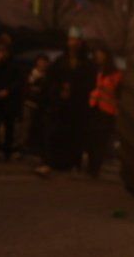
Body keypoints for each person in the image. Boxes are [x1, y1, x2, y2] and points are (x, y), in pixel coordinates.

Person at [36, 30, 95, 177]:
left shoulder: (86, 64)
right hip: (59, 104)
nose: (73, 44)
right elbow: (51, 80)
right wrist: (59, 90)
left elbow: (89, 83)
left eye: (76, 41)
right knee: (54, 132)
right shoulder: (60, 61)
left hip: (77, 106)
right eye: (70, 40)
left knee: (74, 135)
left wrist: (75, 90)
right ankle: (50, 161)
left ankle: (71, 163)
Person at [84, 44, 122, 177]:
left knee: (100, 141)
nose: (98, 56)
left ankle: (95, 169)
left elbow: (118, 94)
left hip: (107, 112)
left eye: (100, 53)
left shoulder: (116, 75)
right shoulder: (96, 71)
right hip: (94, 108)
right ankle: (90, 166)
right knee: (91, 139)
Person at [18, 54, 50, 158]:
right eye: (41, 61)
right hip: (28, 102)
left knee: (35, 127)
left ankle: (31, 148)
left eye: (45, 62)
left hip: (39, 105)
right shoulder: (30, 74)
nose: (42, 64)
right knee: (25, 126)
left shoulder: (47, 77)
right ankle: (21, 147)